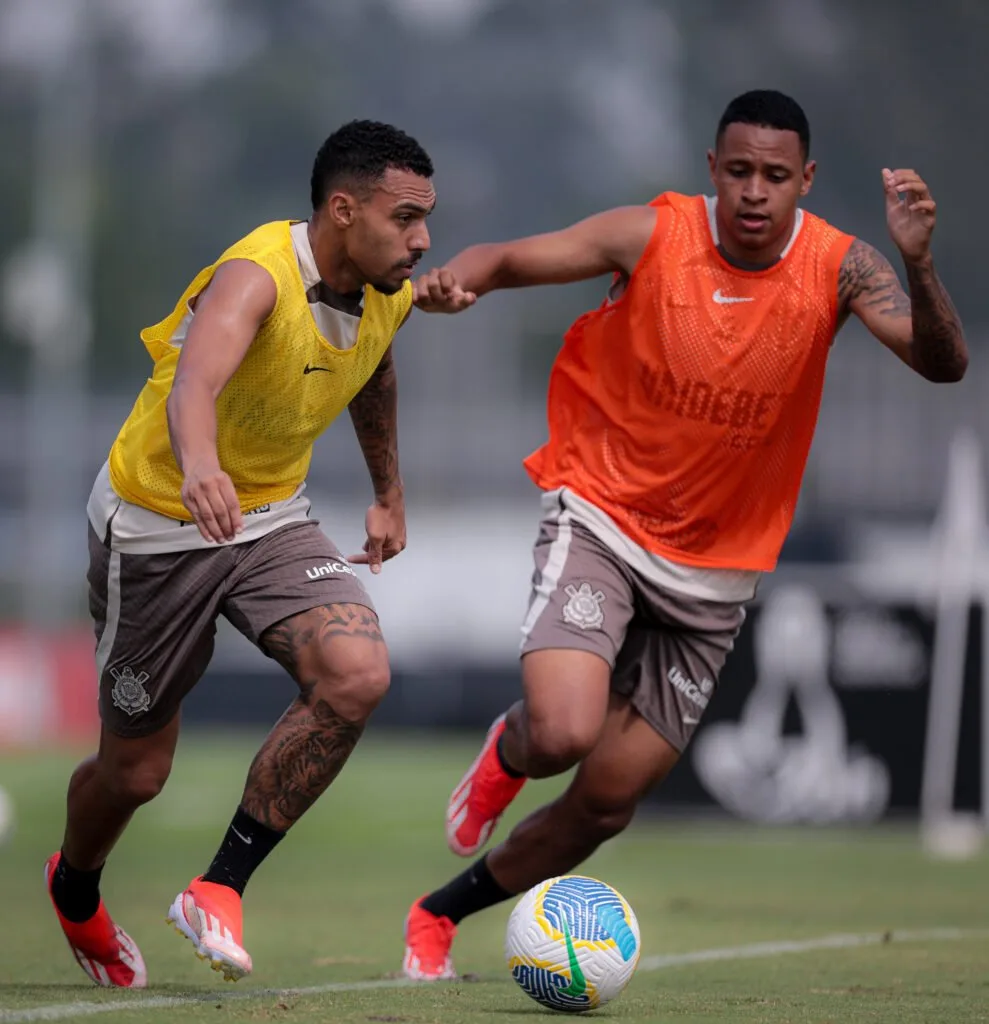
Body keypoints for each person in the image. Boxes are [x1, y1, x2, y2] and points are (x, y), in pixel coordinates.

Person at [400, 89, 968, 980]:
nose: (753, 191)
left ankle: (437, 915)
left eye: (774, 176)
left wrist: (920, 264)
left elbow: (942, 365)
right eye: (737, 170)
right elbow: (510, 257)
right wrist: (456, 281)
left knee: (606, 802)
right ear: (712, 169)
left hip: (715, 578)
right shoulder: (653, 233)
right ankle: (507, 753)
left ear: (804, 181)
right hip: (603, 518)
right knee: (561, 733)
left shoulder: (843, 266)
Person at [44, 120, 444, 988]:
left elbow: (372, 367)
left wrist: (389, 493)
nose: (421, 240)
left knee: (357, 675)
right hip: (154, 529)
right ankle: (75, 890)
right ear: (342, 210)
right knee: (136, 772)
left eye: (426, 220)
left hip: (267, 522)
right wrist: (198, 468)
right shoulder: (255, 275)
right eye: (405, 217)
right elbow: (195, 385)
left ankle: (218, 888)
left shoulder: (385, 289)